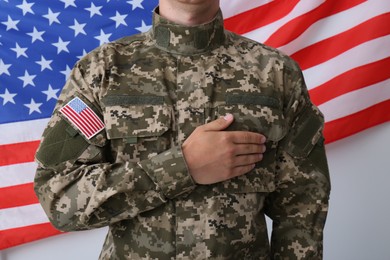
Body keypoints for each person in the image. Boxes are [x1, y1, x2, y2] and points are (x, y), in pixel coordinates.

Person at [34, 0, 331, 259]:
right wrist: (182, 166)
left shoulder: (276, 73)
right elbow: (59, 196)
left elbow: (303, 204)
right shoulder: (101, 71)